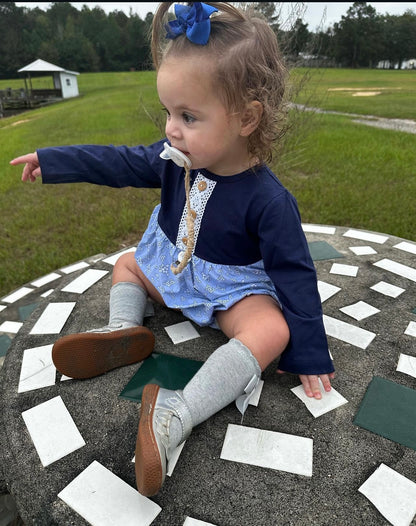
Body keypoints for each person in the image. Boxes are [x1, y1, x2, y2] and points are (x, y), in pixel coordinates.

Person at [10, 1, 335, 497]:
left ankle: (176, 414)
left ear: (247, 118)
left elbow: (294, 273)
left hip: (230, 293)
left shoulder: (269, 200)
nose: (170, 129)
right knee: (129, 264)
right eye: (168, 112)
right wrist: (54, 161)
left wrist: (310, 352)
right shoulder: (171, 161)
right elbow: (115, 163)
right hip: (172, 275)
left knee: (270, 327)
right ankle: (123, 332)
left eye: (188, 116)